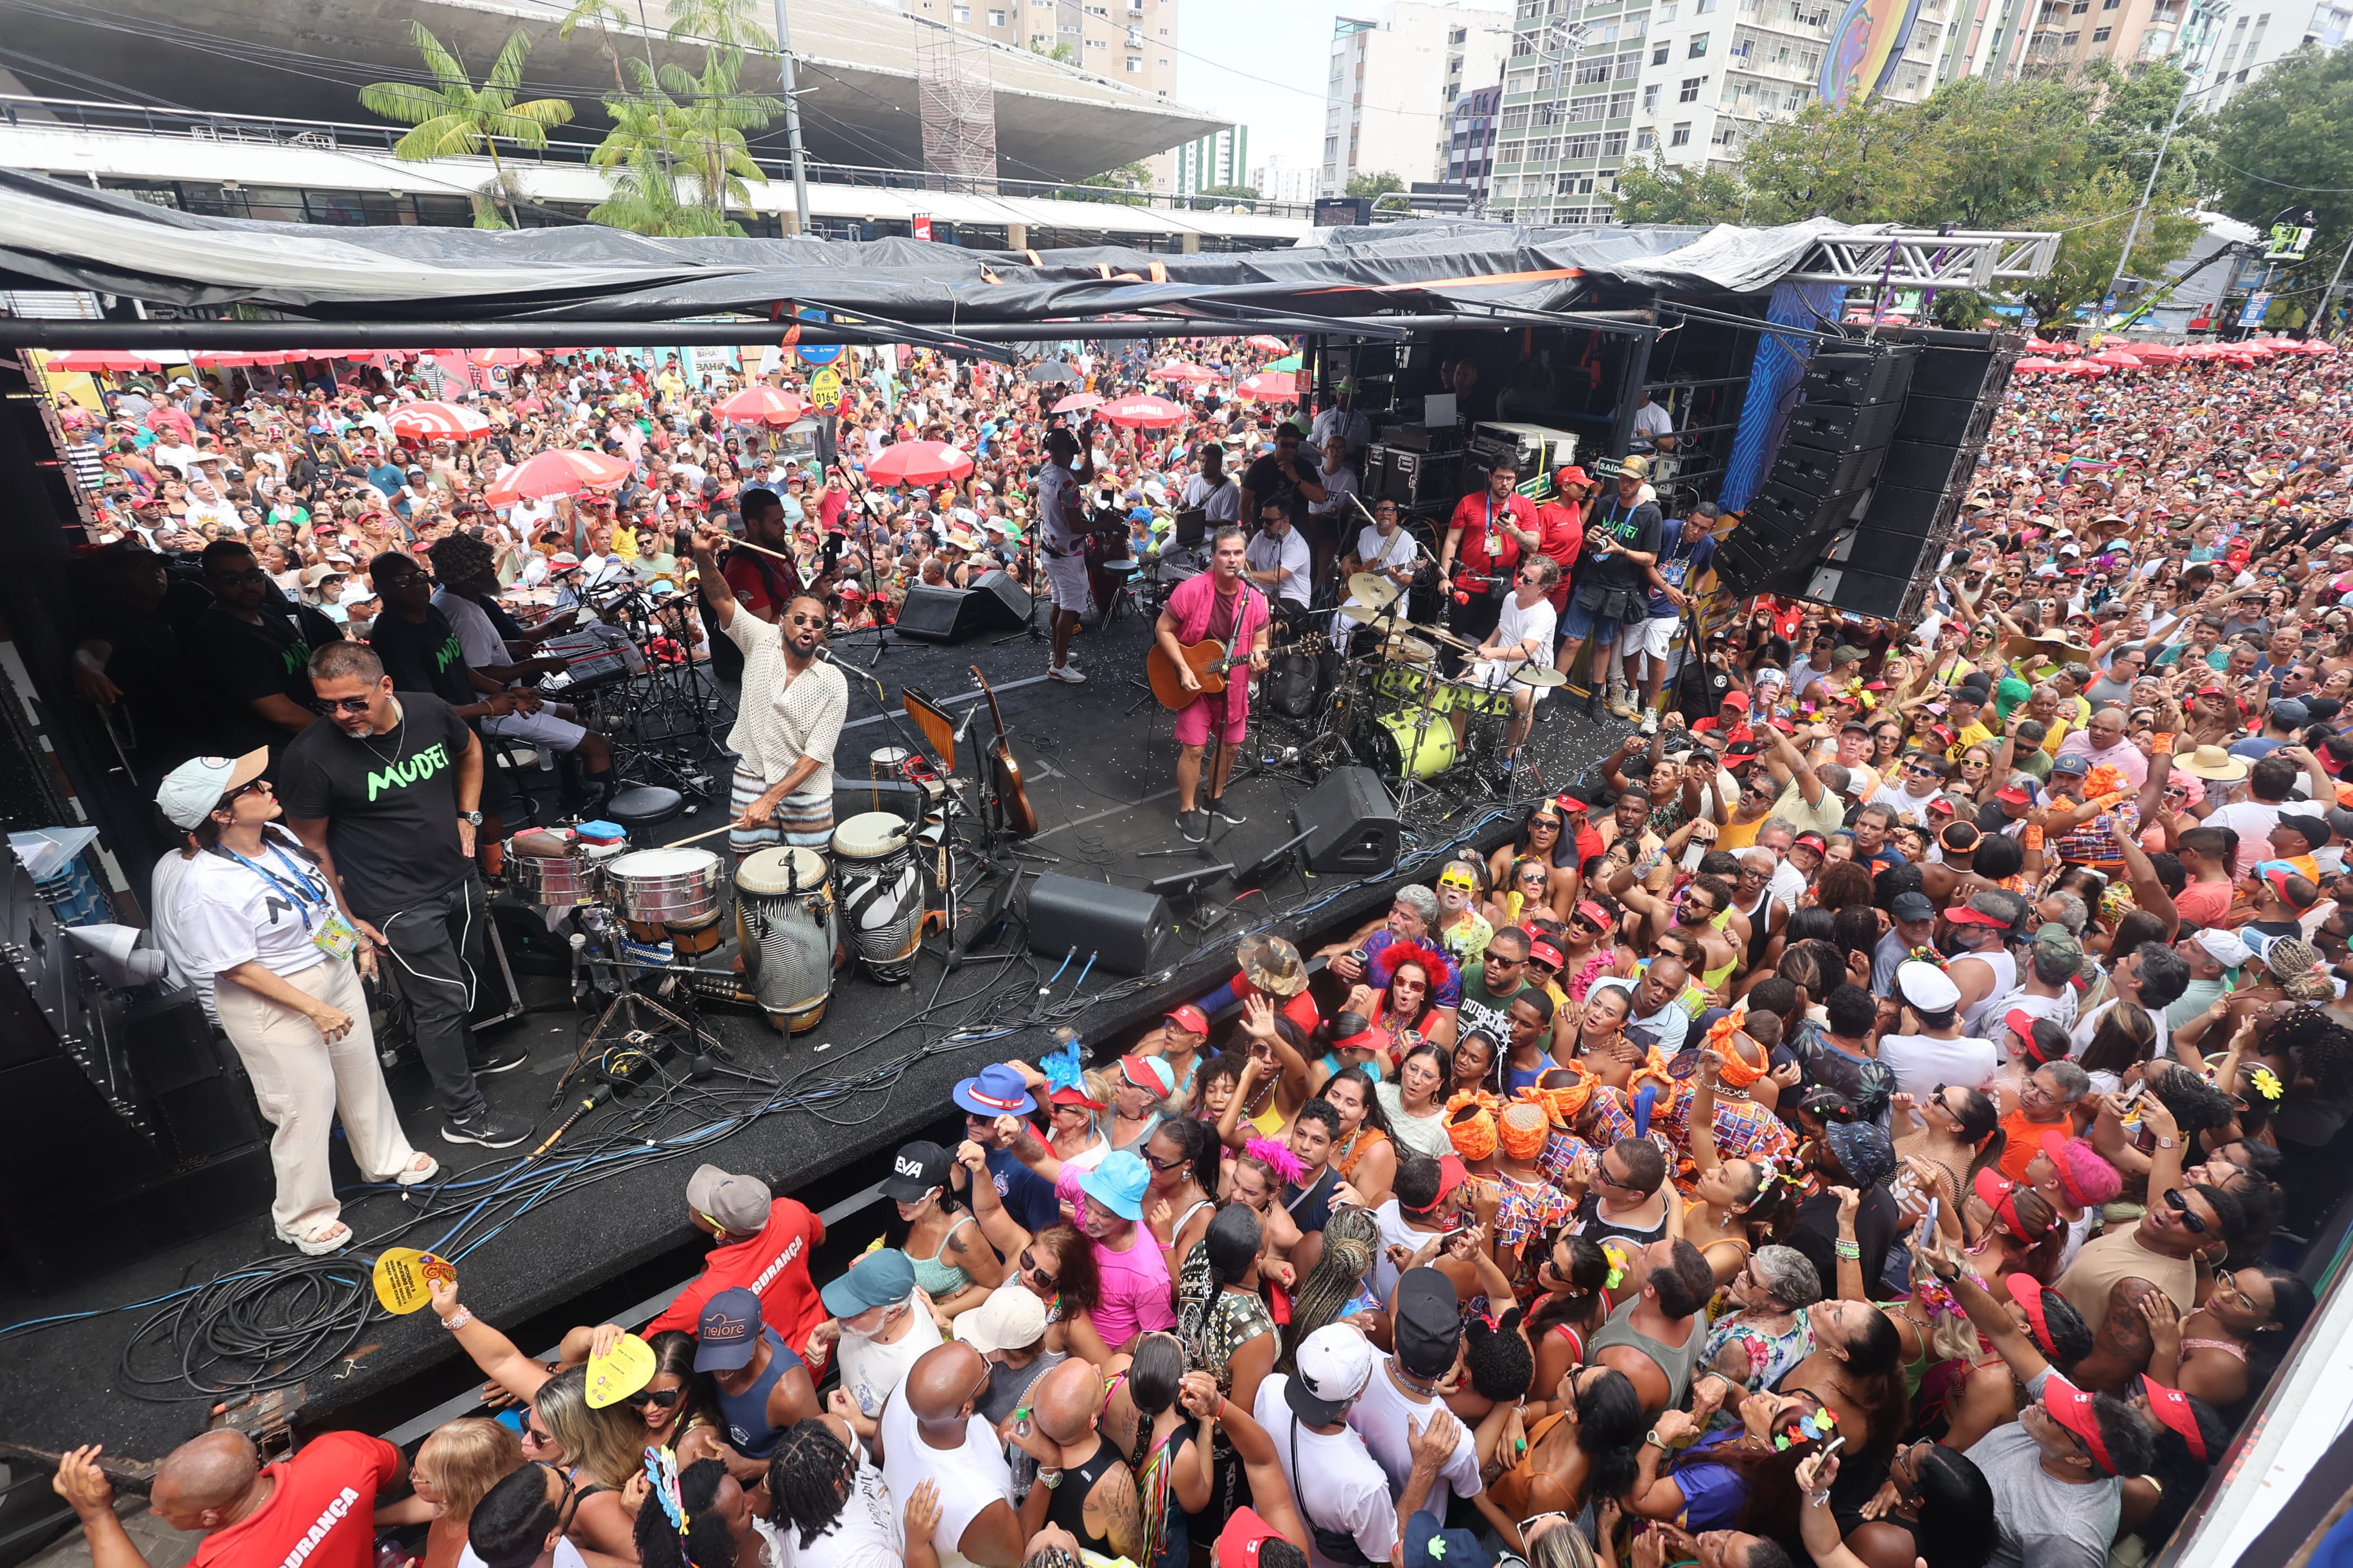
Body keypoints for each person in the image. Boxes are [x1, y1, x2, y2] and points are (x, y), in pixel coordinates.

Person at [156, 748, 436, 1254]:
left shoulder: (279, 838)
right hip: (271, 998)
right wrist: (313, 1007)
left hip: (327, 971)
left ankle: (385, 1156)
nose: (267, 788)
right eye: (252, 788)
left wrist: (353, 940)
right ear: (221, 814)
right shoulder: (203, 885)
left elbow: (315, 902)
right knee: (302, 1104)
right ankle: (302, 1214)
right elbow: (235, 967)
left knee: (359, 1070)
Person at [275, 642, 529, 1150]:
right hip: (394, 897)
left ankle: (469, 1055)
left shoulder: (429, 710)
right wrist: (345, 918)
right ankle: (463, 1115)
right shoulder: (310, 756)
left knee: (468, 973)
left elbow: (471, 749)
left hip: (456, 874)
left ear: (385, 686)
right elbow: (312, 844)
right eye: (328, 705)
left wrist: (469, 814)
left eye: (354, 702)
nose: (342, 715)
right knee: (437, 1000)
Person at [688, 526, 847, 855]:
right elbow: (721, 598)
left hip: (807, 788)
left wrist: (771, 799)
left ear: (823, 635)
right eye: (800, 619)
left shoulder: (833, 680)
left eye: (817, 624)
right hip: (753, 772)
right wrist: (703, 554)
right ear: (782, 621)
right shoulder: (761, 639)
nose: (808, 626)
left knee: (812, 871)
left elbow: (817, 755)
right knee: (752, 868)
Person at [53, 1428, 402, 1568]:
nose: (156, 1513)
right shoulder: (343, 1452)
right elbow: (398, 1473)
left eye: (163, 1511)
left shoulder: (221, 1563)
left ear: (209, 1518)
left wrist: (97, 1516)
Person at [644, 1164, 828, 1375]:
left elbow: (647, 1350)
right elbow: (819, 1237)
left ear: (720, 1234)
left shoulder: (704, 1298)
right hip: (818, 1344)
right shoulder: (790, 1211)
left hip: (773, 1384)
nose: (692, 1206)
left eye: (700, 1208)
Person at [1155, 525, 1271, 844]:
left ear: (1245, 557)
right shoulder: (1191, 590)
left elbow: (1261, 640)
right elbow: (1164, 629)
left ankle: (1214, 798)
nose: (1232, 559)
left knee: (1231, 746)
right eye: (1225, 553)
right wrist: (1182, 666)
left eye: (1238, 553)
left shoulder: (1256, 599)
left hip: (1232, 682)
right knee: (1194, 748)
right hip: (1194, 682)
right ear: (1213, 556)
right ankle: (1187, 810)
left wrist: (1260, 659)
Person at [873, 1342, 1024, 1568]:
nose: (986, 1361)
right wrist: (1049, 1470)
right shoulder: (976, 1501)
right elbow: (1017, 1559)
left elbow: (879, 1452)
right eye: (984, 1368)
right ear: (966, 1409)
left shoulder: (908, 1390)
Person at [810, 1249, 945, 1420]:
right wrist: (827, 1330)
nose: (841, 1317)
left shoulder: (918, 1371)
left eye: (855, 1311)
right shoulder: (895, 1291)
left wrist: (861, 1425)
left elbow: (922, 1430)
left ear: (892, 1313)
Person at [1453, 557, 1562, 755]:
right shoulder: (1511, 598)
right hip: (1501, 662)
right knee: (1462, 684)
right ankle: (1457, 749)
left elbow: (1525, 651)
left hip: (1530, 670)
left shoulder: (1545, 613)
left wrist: (1493, 652)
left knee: (1523, 702)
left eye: (1528, 580)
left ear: (1543, 587)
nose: (1519, 580)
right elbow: (1502, 628)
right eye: (1521, 574)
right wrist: (1486, 645)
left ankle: (1510, 755)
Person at [1436, 457, 1532, 650]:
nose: (1504, 483)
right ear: (1490, 476)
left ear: (1516, 478)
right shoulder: (1469, 502)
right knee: (1450, 639)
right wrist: (1445, 577)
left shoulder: (1525, 506)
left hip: (1503, 585)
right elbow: (1451, 542)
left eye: (1510, 478)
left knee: (1490, 643)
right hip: (1467, 581)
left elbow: (1533, 546)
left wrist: (1514, 531)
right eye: (1499, 477)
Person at [1038, 424, 1100, 681]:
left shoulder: (1048, 472)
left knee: (1058, 601)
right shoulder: (1066, 482)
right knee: (1071, 608)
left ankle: (1056, 653)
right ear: (1068, 450)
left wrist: (1088, 445)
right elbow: (1076, 525)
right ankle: (1059, 666)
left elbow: (1084, 477)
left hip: (1050, 548)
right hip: (1067, 554)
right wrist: (1103, 525)